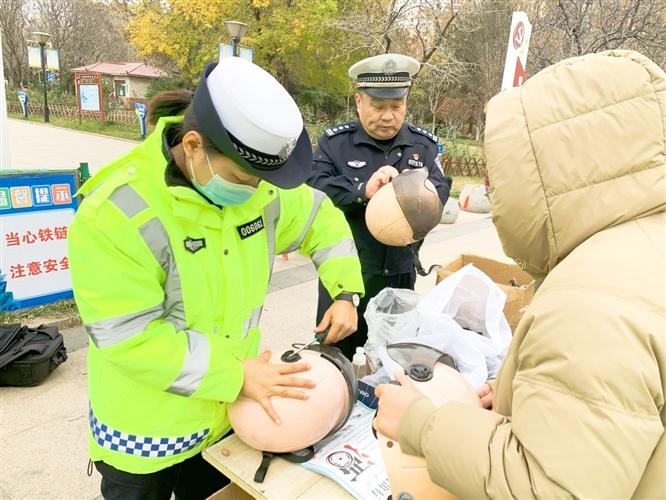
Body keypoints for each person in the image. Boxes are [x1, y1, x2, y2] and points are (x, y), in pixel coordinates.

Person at [68, 57, 364, 500]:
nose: (254, 190)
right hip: (147, 433)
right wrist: (237, 375)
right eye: (244, 178)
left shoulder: (257, 190)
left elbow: (322, 218)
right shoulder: (114, 213)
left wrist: (344, 291)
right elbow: (131, 337)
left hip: (224, 419)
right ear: (192, 146)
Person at [373, 50, 665, 498]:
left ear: (545, 171)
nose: (493, 185)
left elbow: (549, 488)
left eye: (502, 170)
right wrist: (515, 390)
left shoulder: (592, 306)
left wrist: (422, 423)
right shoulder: (638, 245)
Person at [308, 53, 452, 359]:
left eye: (396, 106)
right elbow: (315, 189)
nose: (388, 116)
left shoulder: (422, 146)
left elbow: (440, 188)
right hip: (347, 277)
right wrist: (363, 191)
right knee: (335, 360)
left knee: (393, 361)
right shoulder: (335, 144)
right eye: (378, 106)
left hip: (400, 276)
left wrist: (410, 194)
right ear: (359, 101)